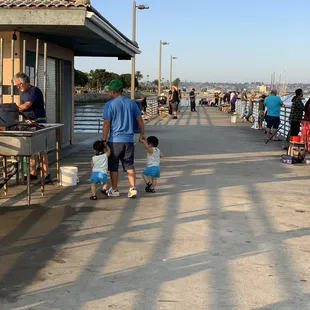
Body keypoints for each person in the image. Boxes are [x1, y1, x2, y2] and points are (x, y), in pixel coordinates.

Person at [102, 79, 145, 198]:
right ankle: (133, 188)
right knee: (129, 165)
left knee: (113, 167)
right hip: (129, 140)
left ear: (113, 91)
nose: (107, 93)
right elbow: (140, 120)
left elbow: (106, 123)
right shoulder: (131, 103)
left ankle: (115, 189)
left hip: (114, 140)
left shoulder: (109, 105)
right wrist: (142, 133)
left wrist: (103, 139)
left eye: (108, 91)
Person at [14, 72, 51, 182]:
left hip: (38, 121)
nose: (17, 87)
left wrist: (14, 108)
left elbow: (27, 105)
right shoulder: (23, 93)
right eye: (16, 85)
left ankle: (45, 173)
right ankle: (32, 172)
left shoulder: (34, 91)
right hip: (28, 122)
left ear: (24, 82)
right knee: (31, 148)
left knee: (41, 149)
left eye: (18, 85)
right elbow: (22, 109)